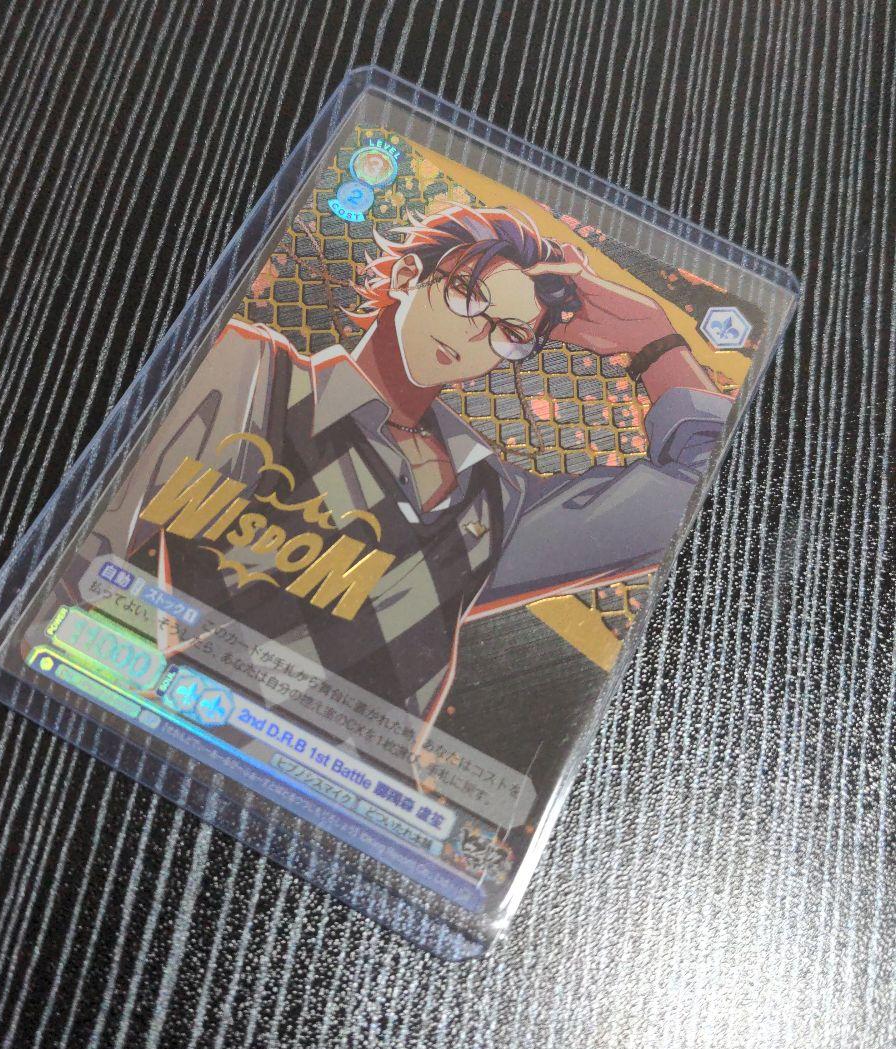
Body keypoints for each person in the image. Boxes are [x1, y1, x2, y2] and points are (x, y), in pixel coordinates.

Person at [81, 204, 732, 729]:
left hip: (353, 802)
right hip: (172, 724)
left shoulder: (488, 496)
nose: (476, 335)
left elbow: (690, 500)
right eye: (466, 296)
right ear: (404, 278)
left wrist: (654, 342)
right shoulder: (252, 376)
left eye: (509, 333)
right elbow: (79, 564)